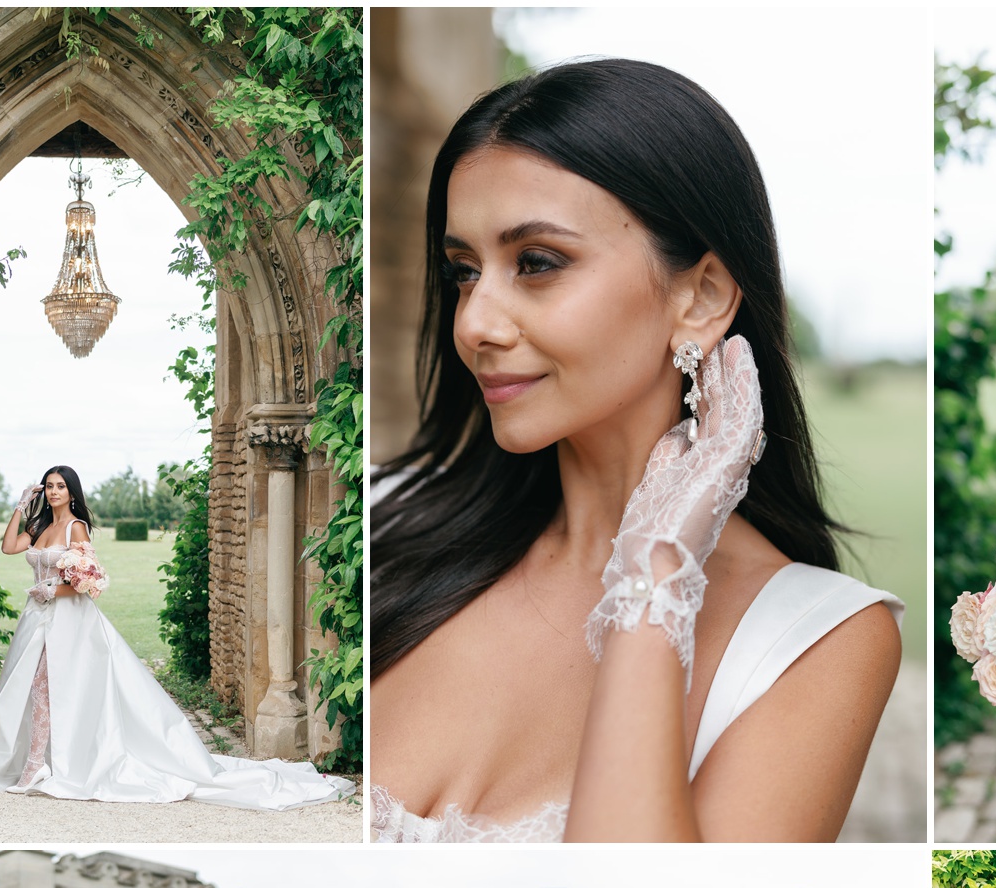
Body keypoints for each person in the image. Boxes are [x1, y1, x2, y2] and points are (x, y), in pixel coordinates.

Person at [369, 59, 904, 842]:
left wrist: (653, 578)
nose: (475, 323)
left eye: (538, 263)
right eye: (463, 271)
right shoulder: (381, 523)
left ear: (704, 296)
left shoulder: (818, 641)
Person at [0, 465, 353, 809]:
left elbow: (85, 582)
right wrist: (21, 506)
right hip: (37, 619)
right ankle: (42, 760)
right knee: (33, 687)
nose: (54, 492)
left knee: (48, 686)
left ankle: (36, 766)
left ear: (72, 493)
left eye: (61, 486)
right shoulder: (39, 528)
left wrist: (52, 592)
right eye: (50, 486)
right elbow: (9, 547)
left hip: (67, 621)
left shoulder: (76, 528)